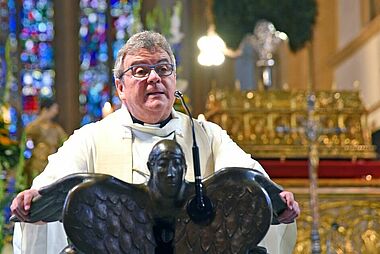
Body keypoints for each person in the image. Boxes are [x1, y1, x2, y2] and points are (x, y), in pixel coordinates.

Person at [10, 31, 300, 254]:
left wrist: (276, 198)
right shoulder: (93, 137)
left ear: (174, 80)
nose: (154, 78)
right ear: (121, 88)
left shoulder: (206, 135)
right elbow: (57, 183)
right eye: (140, 70)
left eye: (163, 69)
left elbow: (244, 176)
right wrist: (33, 198)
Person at [23, 99, 67, 186]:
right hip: (37, 163)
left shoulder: (56, 128)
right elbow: (26, 145)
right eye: (54, 109)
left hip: (52, 163)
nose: (56, 112)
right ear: (45, 110)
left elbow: (65, 141)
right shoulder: (33, 127)